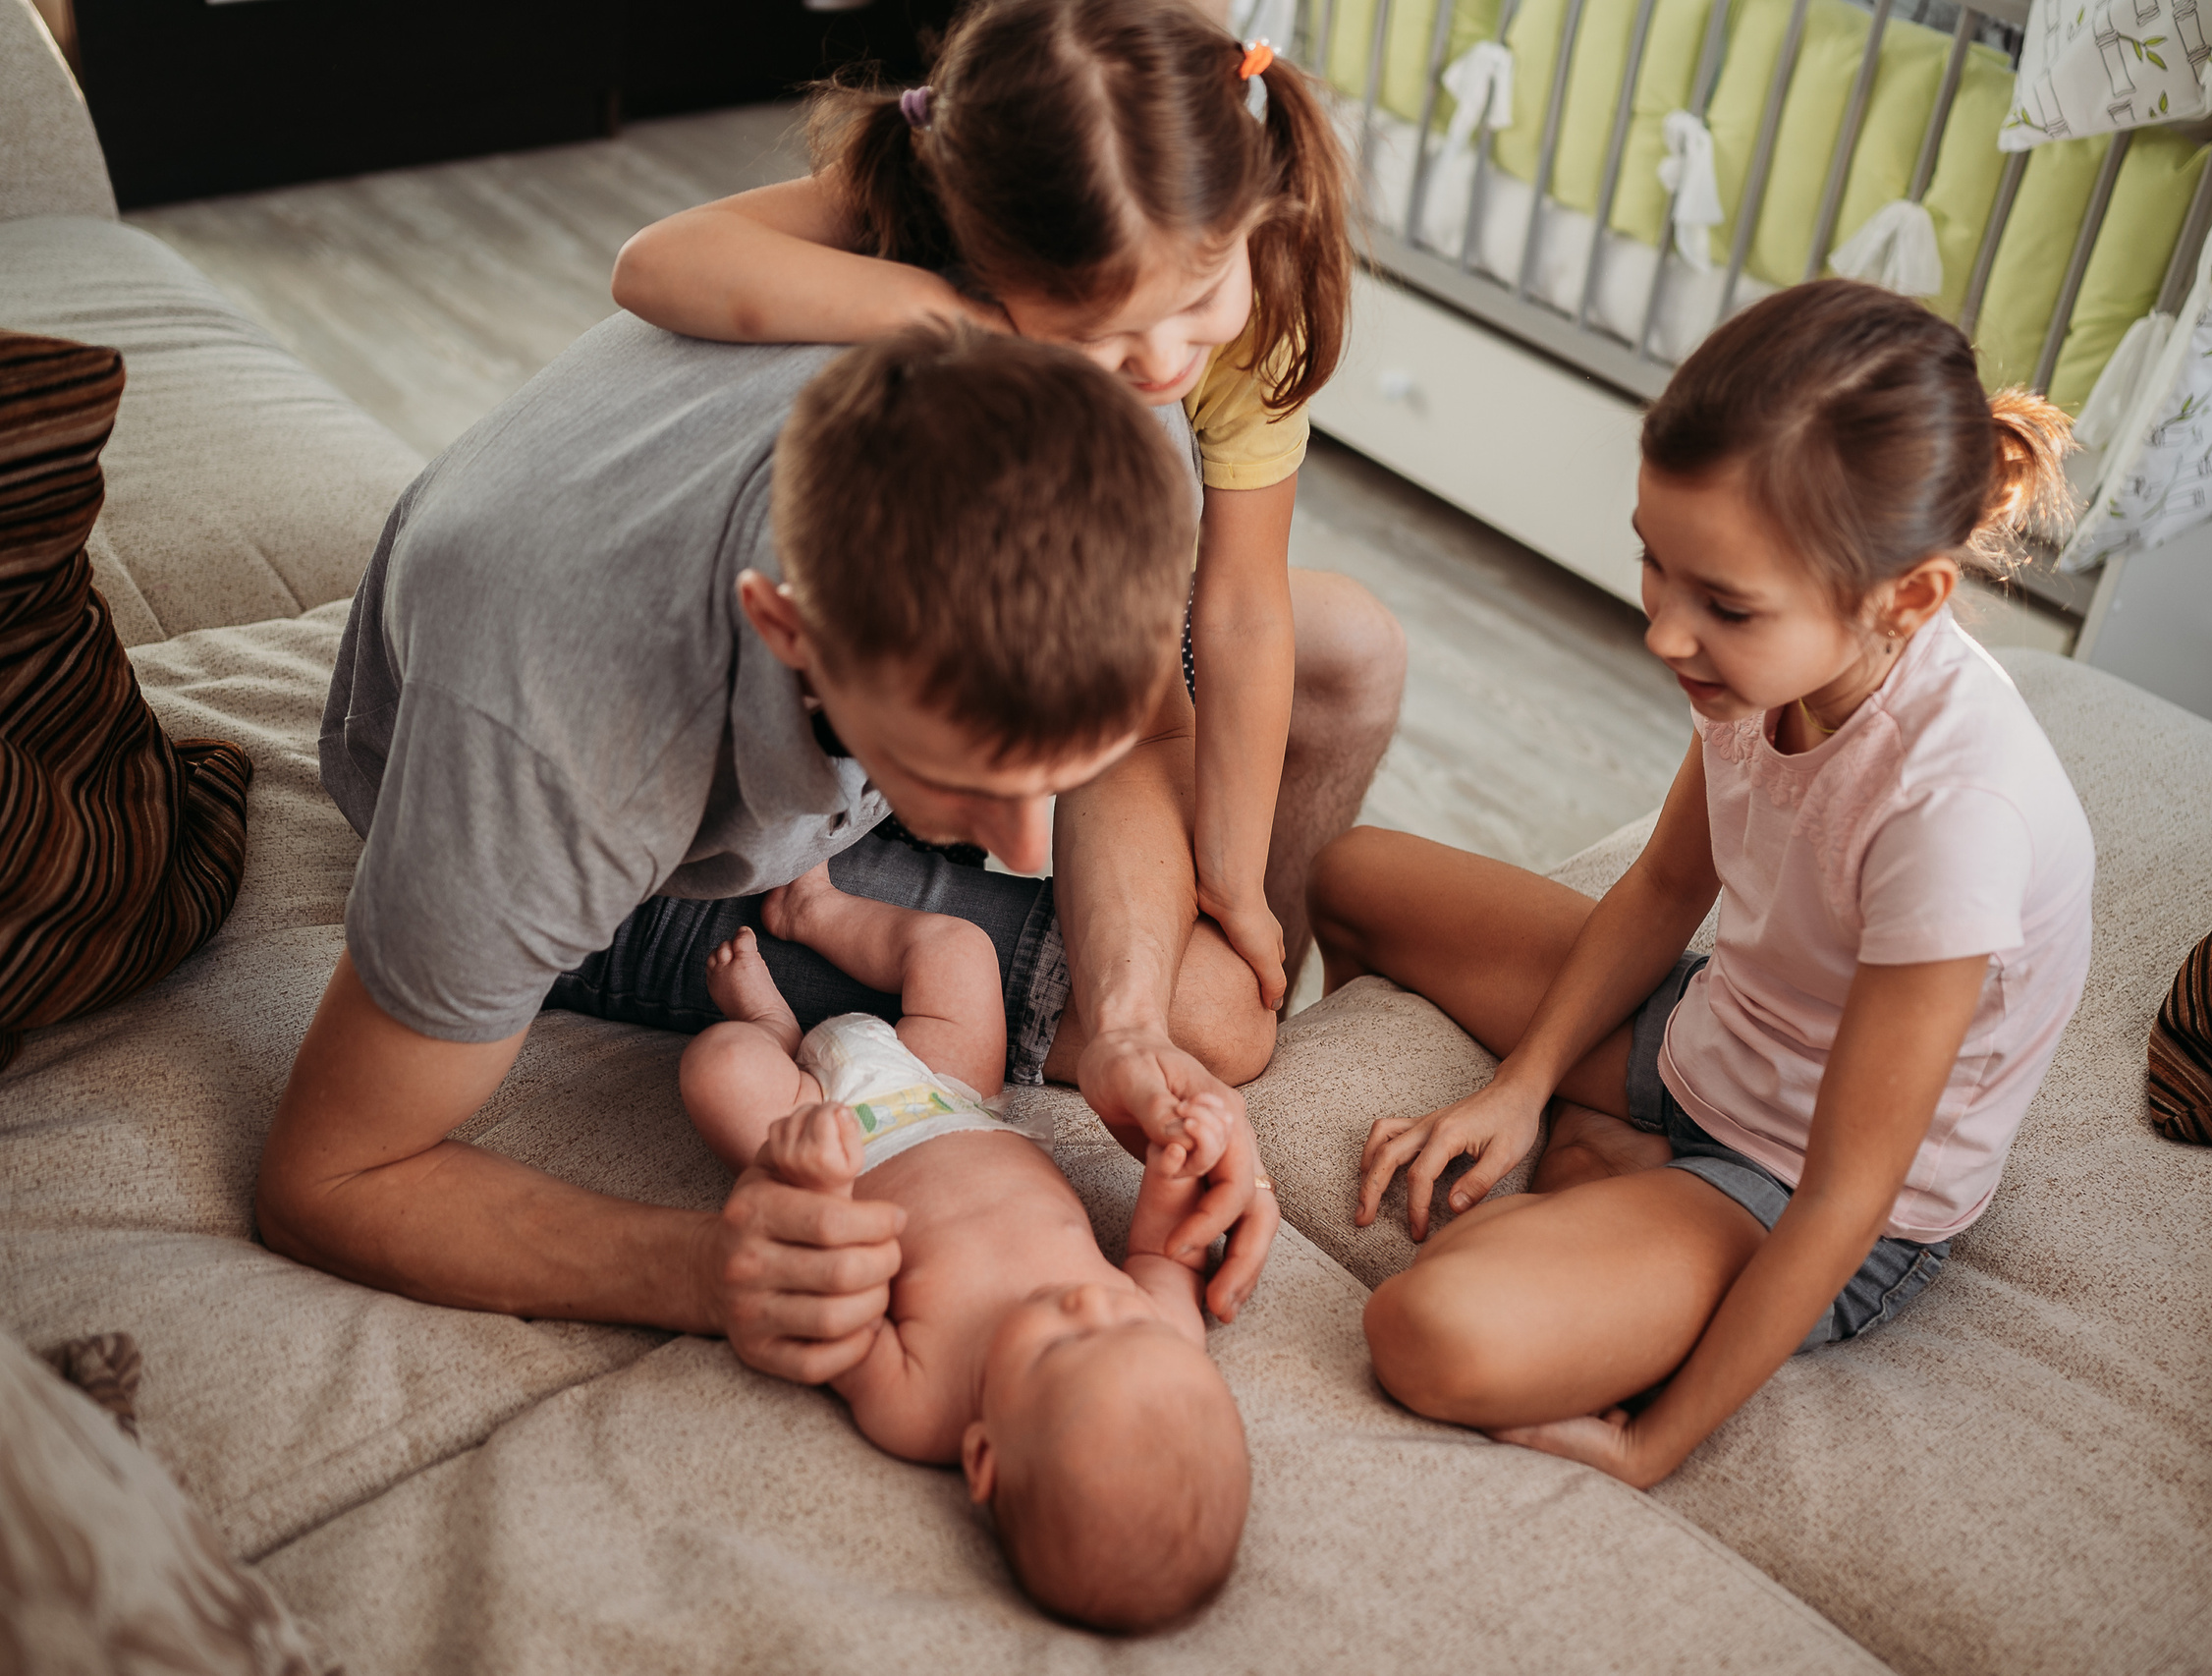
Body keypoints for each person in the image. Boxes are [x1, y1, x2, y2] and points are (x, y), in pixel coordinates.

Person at [259, 323, 1278, 1384]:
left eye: (1058, 764)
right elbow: (327, 1175)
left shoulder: (1105, 412)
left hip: (753, 707)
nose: (1031, 844)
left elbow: (1152, 728)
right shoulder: (555, 755)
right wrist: (708, 1269)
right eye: (965, 773)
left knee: (1200, 1001)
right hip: (586, 810)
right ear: (788, 628)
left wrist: (1124, 1023)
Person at [1307, 281, 2096, 1490]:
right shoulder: (1768, 671)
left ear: (1909, 596)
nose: (1665, 633)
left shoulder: (1953, 813)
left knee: (1428, 1331)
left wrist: (1647, 1447)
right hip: (1712, 1032)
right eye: (1652, 564)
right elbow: (1669, 879)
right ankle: (1596, 1169)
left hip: (1801, 1182)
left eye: (1722, 604)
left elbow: (1844, 1190)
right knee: (1351, 872)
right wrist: (1517, 1091)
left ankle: (1630, 1213)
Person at [611, 0, 1386, 1013]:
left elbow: (1238, 607)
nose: (1160, 363)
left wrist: (1230, 877)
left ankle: (1244, 951)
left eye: (1195, 301)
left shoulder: (1248, 295)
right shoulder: (961, 211)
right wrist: (963, 323)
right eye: (1101, 328)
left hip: (1064, 587)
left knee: (1352, 649)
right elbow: (653, 265)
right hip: (895, 652)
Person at [694, 946, 1247, 1633]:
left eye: (1061, 1347)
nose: (1090, 1303)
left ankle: (767, 1024)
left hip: (846, 1132)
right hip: (962, 1097)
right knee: (962, 958)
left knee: (720, 1068)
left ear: (983, 1455)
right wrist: (1174, 1166)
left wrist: (818, 1181)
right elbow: (1162, 1253)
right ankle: (817, 914)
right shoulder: (1170, 1333)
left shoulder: (919, 1407)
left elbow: (830, 1296)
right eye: (1128, 1324)